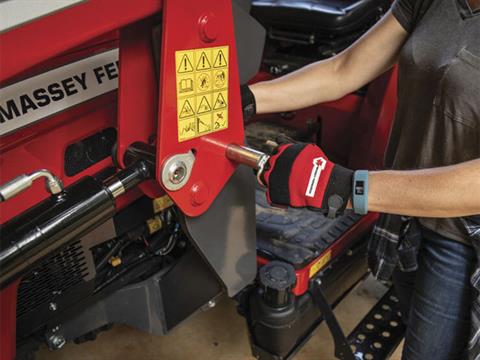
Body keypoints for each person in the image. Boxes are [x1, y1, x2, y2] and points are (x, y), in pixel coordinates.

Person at [241, 0, 480, 359]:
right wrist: (242, 100)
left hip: (461, 242)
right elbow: (344, 69)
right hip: (404, 218)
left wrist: (344, 187)